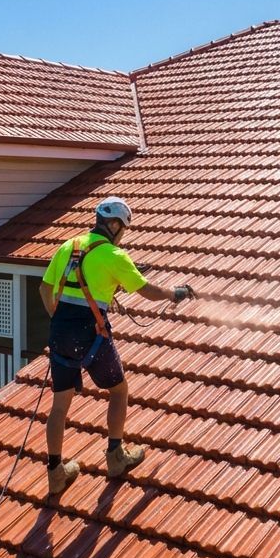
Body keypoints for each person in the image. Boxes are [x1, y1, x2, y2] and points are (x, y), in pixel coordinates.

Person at [39, 195, 193, 495]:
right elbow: (146, 291)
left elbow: (45, 288)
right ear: (113, 225)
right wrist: (174, 294)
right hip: (91, 334)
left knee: (59, 406)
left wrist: (57, 318)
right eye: (122, 229)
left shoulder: (69, 246)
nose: (122, 236)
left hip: (60, 331)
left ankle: (56, 473)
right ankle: (115, 457)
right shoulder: (114, 255)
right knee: (119, 390)